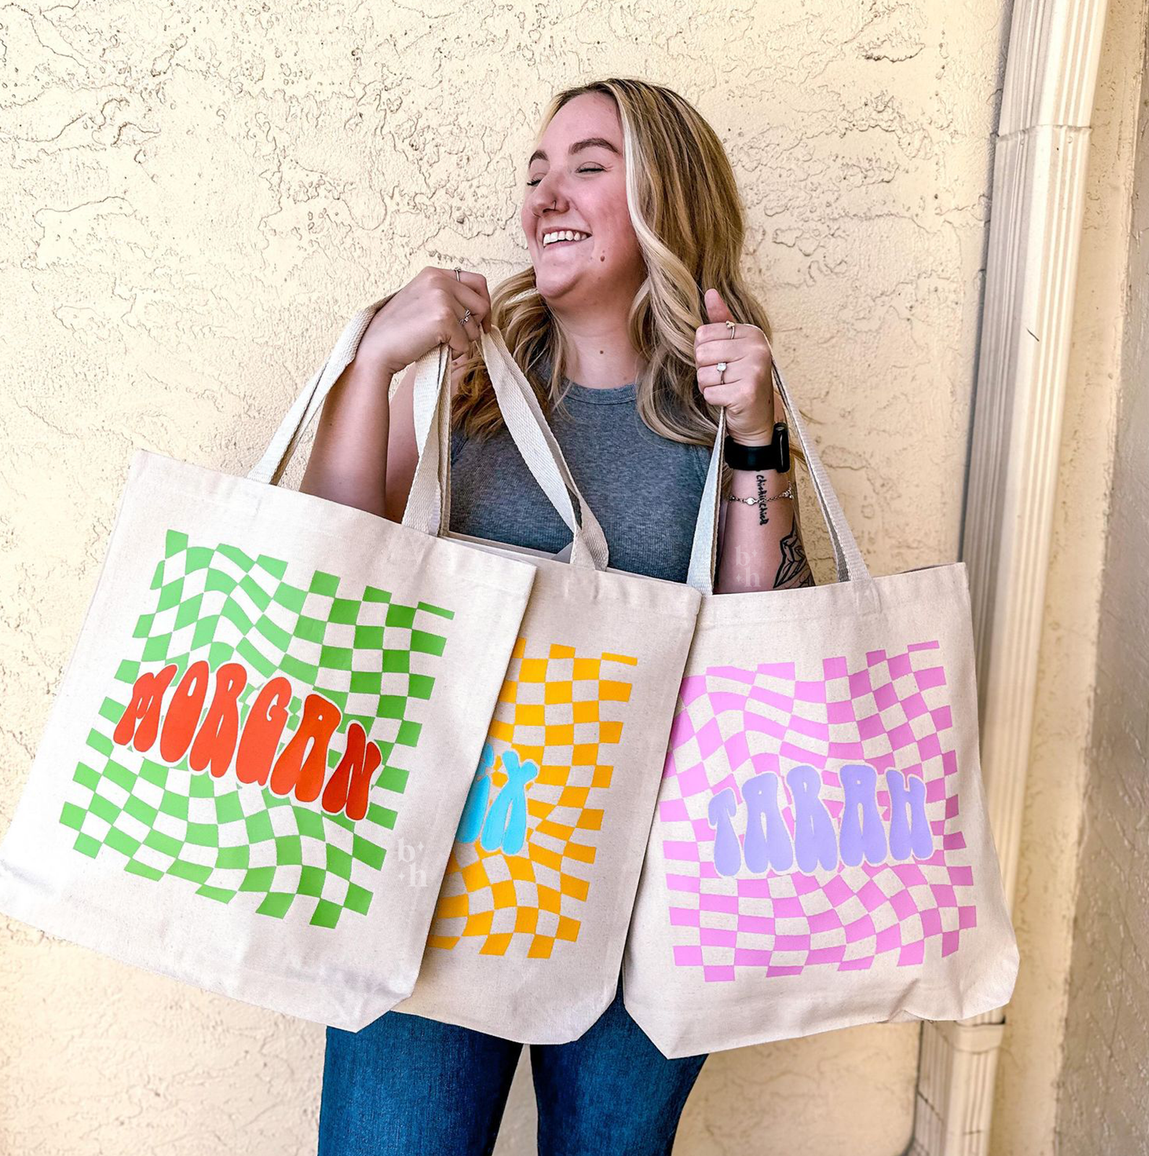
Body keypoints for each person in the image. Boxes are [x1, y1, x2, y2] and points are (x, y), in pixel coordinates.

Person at [300, 76, 814, 1156]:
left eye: (587, 166)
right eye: (536, 172)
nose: (546, 195)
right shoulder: (469, 384)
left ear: (666, 201)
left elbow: (763, 644)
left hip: (645, 884)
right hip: (438, 860)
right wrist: (376, 358)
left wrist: (755, 432)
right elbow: (333, 563)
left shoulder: (716, 410)